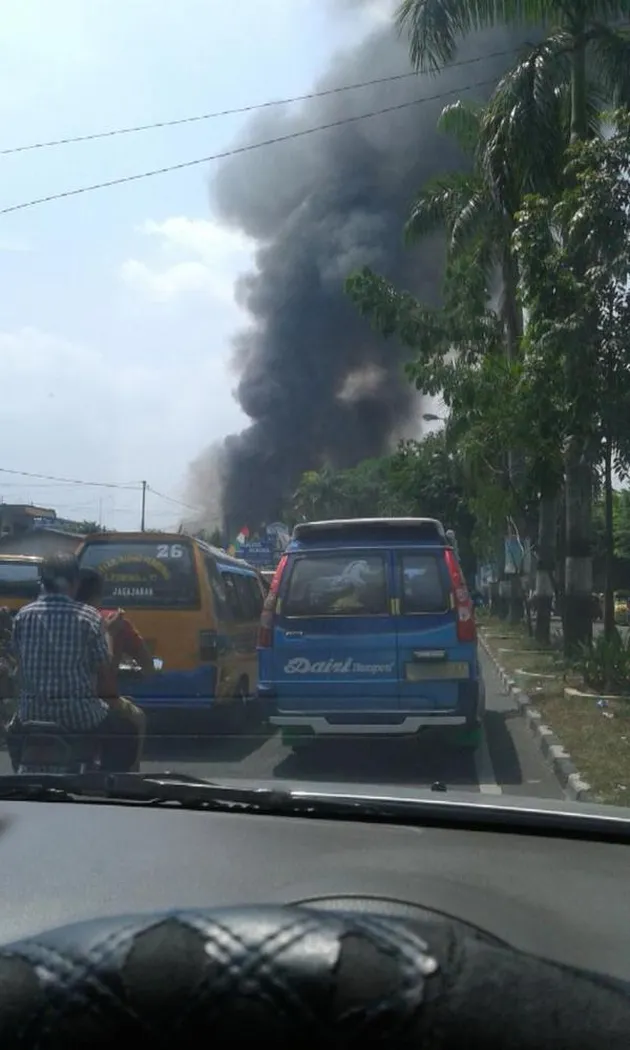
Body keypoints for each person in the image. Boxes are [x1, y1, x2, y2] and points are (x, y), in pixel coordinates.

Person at [8, 553, 139, 773]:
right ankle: (110, 785)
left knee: (12, 734)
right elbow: (104, 670)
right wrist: (109, 633)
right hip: (80, 717)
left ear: (43, 582)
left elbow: (18, 667)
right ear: (74, 583)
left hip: (30, 716)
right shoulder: (88, 617)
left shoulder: (23, 616)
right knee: (126, 732)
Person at [75, 567, 149, 771]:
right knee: (139, 718)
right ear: (99, 593)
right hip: (100, 702)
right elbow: (148, 665)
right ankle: (131, 772)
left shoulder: (55, 618)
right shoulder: (112, 621)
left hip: (50, 701)